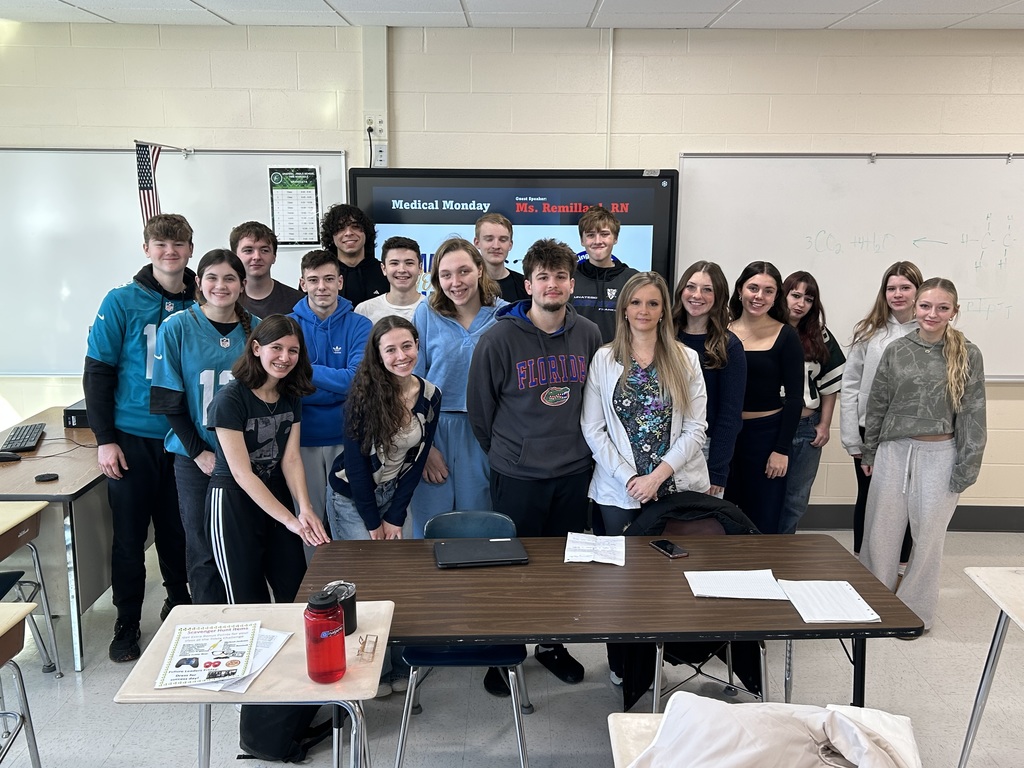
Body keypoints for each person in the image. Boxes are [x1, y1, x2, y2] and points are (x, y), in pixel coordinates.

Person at [468, 238, 602, 691]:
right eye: (542, 276)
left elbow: (595, 402)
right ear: (528, 284)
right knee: (511, 568)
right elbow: (480, 412)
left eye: (560, 276)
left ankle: (551, 644)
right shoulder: (498, 339)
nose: (552, 284)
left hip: (571, 472)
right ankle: (503, 650)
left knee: (562, 569)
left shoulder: (588, 334)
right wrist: (510, 454)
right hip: (518, 473)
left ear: (571, 283)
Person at [84, 213, 194, 662]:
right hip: (131, 439)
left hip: (183, 438)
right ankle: (127, 620)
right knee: (129, 538)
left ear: (190, 249)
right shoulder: (121, 301)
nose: (170, 252)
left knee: (178, 531)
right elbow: (98, 371)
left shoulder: (203, 298)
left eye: (179, 244)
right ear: (146, 249)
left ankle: (178, 601)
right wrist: (104, 439)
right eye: (161, 244)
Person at [859, 278, 986, 630]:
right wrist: (869, 450)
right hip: (894, 452)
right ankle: (876, 603)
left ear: (954, 312)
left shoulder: (967, 353)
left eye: (942, 308)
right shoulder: (897, 350)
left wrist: (967, 465)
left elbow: (974, 413)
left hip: (940, 454)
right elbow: (878, 404)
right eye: (926, 306)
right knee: (881, 533)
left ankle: (914, 612)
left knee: (929, 536)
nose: (933, 313)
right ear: (915, 308)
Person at [328, 315, 441, 696]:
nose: (400, 355)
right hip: (353, 498)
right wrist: (373, 519)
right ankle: (369, 670)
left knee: (395, 582)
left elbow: (417, 459)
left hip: (394, 496)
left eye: (406, 346)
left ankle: (395, 667)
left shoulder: (430, 394)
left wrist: (395, 516)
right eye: (390, 349)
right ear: (378, 355)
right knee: (364, 585)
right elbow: (357, 465)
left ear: (417, 345)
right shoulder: (363, 395)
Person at [150, 249, 257, 604]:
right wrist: (198, 452)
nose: (220, 286)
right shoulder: (177, 327)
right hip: (196, 457)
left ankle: (246, 620)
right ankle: (207, 624)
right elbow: (169, 400)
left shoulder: (256, 329)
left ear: (243, 284)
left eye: (229, 278)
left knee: (244, 541)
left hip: (246, 456)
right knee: (201, 544)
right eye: (212, 277)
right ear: (198, 283)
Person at [205, 315, 330, 604]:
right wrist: (290, 520)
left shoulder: (290, 394)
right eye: (277, 348)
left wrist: (305, 509)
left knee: (295, 590)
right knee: (247, 599)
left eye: (293, 350)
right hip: (233, 501)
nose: (285, 358)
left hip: (276, 491)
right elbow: (242, 474)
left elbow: (291, 458)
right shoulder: (230, 399)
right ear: (257, 348)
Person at [582, 271, 710, 535]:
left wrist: (655, 478)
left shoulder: (687, 359)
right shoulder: (604, 359)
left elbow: (696, 428)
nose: (644, 310)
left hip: (675, 483)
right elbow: (593, 429)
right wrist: (630, 479)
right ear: (624, 309)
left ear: (663, 311)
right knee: (620, 570)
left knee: (673, 566)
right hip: (620, 487)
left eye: (653, 303)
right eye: (636, 302)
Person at [410, 237, 506, 538]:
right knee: (430, 525)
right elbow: (411, 383)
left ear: (480, 269)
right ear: (436, 279)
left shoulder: (505, 315)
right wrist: (423, 449)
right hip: (433, 428)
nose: (456, 282)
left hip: (485, 431)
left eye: (464, 271)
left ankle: (481, 586)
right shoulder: (426, 313)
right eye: (446, 275)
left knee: (480, 523)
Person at [840, 261, 922, 560]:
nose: (897, 294)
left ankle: (900, 564)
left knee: (908, 500)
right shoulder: (869, 332)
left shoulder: (930, 331)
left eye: (905, 287)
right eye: (891, 288)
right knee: (870, 498)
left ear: (918, 291)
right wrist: (852, 438)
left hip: (912, 434)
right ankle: (864, 560)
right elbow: (850, 385)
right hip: (870, 432)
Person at [289, 250, 372, 540]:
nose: (321, 287)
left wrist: (303, 369)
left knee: (349, 518)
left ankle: (351, 580)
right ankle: (315, 582)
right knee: (308, 521)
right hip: (301, 438)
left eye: (328, 279)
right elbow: (285, 383)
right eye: (313, 280)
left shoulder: (360, 325)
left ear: (340, 281)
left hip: (346, 435)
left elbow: (355, 381)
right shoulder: (288, 325)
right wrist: (335, 383)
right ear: (302, 283)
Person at [724, 261, 804, 535]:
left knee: (764, 521)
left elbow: (795, 398)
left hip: (766, 437)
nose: (759, 296)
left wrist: (781, 450)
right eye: (753, 288)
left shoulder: (786, 335)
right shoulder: (721, 332)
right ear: (739, 290)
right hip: (726, 435)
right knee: (723, 515)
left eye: (768, 291)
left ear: (776, 297)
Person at [777, 271, 846, 535]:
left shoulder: (820, 335)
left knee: (796, 498)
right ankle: (759, 549)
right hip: (771, 424)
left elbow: (831, 384)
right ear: (783, 295)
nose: (800, 303)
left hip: (806, 426)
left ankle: (783, 547)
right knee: (765, 494)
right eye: (795, 295)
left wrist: (825, 424)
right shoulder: (766, 330)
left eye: (808, 298)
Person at [673, 261, 746, 498]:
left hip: (704, 449)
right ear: (681, 290)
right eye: (691, 287)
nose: (697, 295)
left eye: (707, 289)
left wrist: (716, 471)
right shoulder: (662, 336)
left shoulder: (729, 346)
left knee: (696, 528)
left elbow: (729, 414)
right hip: (659, 445)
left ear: (719, 296)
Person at [571, 205, 638, 343]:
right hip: (578, 359)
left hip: (619, 360)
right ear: (582, 241)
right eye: (590, 235)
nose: (597, 241)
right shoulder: (570, 278)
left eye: (604, 234)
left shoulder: (632, 280)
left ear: (615, 238)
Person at [320, 203, 389, 307]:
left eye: (355, 227)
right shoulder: (318, 275)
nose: (348, 233)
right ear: (331, 236)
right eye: (340, 228)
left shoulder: (385, 273)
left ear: (366, 232)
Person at [231, 220, 304, 317]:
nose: (257, 257)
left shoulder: (299, 303)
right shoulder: (226, 300)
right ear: (235, 256)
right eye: (248, 250)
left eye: (264, 250)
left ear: (274, 257)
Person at [355, 235, 425, 325]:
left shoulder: (435, 310)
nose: (402, 270)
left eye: (409, 263)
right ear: (383, 269)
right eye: (394, 263)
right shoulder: (364, 311)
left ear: (420, 268)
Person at [474, 212, 528, 302]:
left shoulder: (525, 286)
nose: (496, 246)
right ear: (477, 243)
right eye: (489, 239)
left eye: (503, 240)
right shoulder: (466, 285)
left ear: (510, 244)